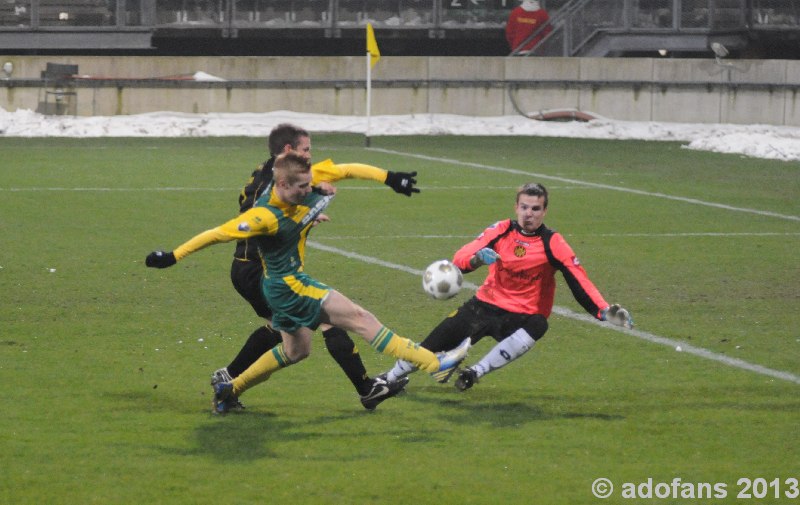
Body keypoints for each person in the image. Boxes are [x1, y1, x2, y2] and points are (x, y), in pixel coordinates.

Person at [145, 152, 471, 413]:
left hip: (280, 289)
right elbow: (217, 234)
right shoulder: (264, 216)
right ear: (283, 185)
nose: (309, 189)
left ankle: (230, 389)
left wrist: (390, 178)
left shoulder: (307, 182)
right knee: (361, 319)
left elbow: (349, 169)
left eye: (310, 183)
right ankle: (434, 364)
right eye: (301, 187)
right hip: (291, 287)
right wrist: (173, 256)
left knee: (296, 350)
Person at [210, 123, 421, 412]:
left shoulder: (277, 173)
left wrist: (388, 178)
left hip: (251, 270)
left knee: (284, 332)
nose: (311, 156)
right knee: (325, 322)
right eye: (306, 149)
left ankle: (228, 379)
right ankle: (366, 389)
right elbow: (261, 221)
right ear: (288, 150)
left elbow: (343, 171)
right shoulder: (277, 184)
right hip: (257, 271)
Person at [380, 182, 633, 391]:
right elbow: (460, 259)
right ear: (516, 207)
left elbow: (578, 278)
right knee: (432, 344)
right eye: (524, 207)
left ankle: (476, 372)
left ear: (544, 211)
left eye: (535, 208)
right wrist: (479, 258)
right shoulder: (501, 230)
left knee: (539, 324)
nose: (528, 213)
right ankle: (391, 379)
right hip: (484, 306)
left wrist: (602, 310)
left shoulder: (552, 242)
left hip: (521, 316)